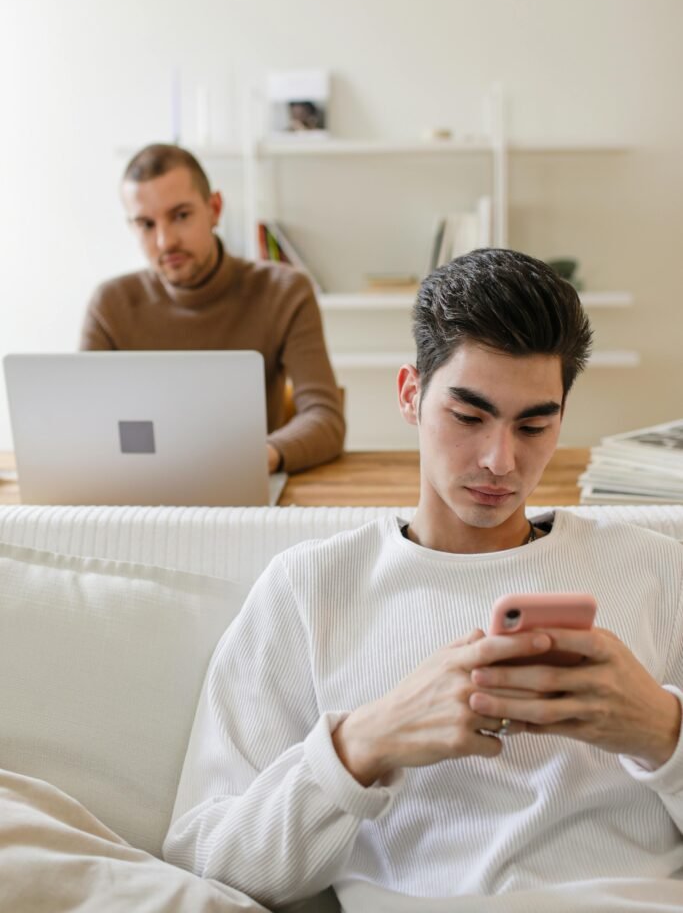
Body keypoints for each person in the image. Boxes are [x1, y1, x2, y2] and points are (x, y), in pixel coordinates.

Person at [163, 249, 683, 912]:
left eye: (534, 425)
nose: (500, 460)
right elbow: (207, 859)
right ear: (410, 394)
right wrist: (365, 743)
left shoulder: (656, 568)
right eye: (468, 417)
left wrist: (662, 731)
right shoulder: (310, 588)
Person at [80, 144, 345, 474]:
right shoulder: (109, 304)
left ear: (214, 209)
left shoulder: (285, 292)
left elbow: (324, 417)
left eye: (180, 216)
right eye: (146, 224)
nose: (165, 241)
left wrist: (267, 455)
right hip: (137, 488)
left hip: (245, 485)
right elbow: (85, 426)